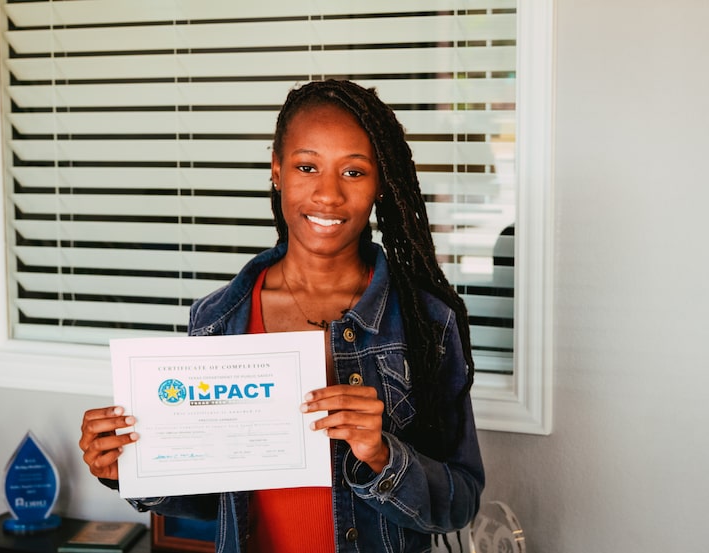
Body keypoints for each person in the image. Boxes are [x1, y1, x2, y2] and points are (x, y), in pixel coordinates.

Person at [79, 79, 484, 553]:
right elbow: (217, 497)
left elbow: (460, 504)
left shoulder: (428, 323)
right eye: (307, 166)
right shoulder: (218, 320)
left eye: (353, 172)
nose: (328, 194)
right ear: (276, 170)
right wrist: (128, 466)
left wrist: (382, 457)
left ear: (380, 183)